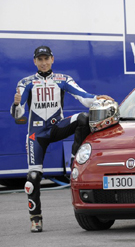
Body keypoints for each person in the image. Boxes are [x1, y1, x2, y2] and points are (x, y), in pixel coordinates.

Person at [10, 46, 114, 233]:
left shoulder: (63, 79)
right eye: (40, 59)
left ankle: (75, 160)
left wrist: (97, 98)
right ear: (34, 61)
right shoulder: (26, 83)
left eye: (46, 59)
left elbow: (82, 96)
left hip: (56, 127)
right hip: (36, 134)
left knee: (83, 118)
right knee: (33, 177)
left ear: (52, 59)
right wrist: (16, 103)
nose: (43, 63)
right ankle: (36, 218)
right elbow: (18, 114)